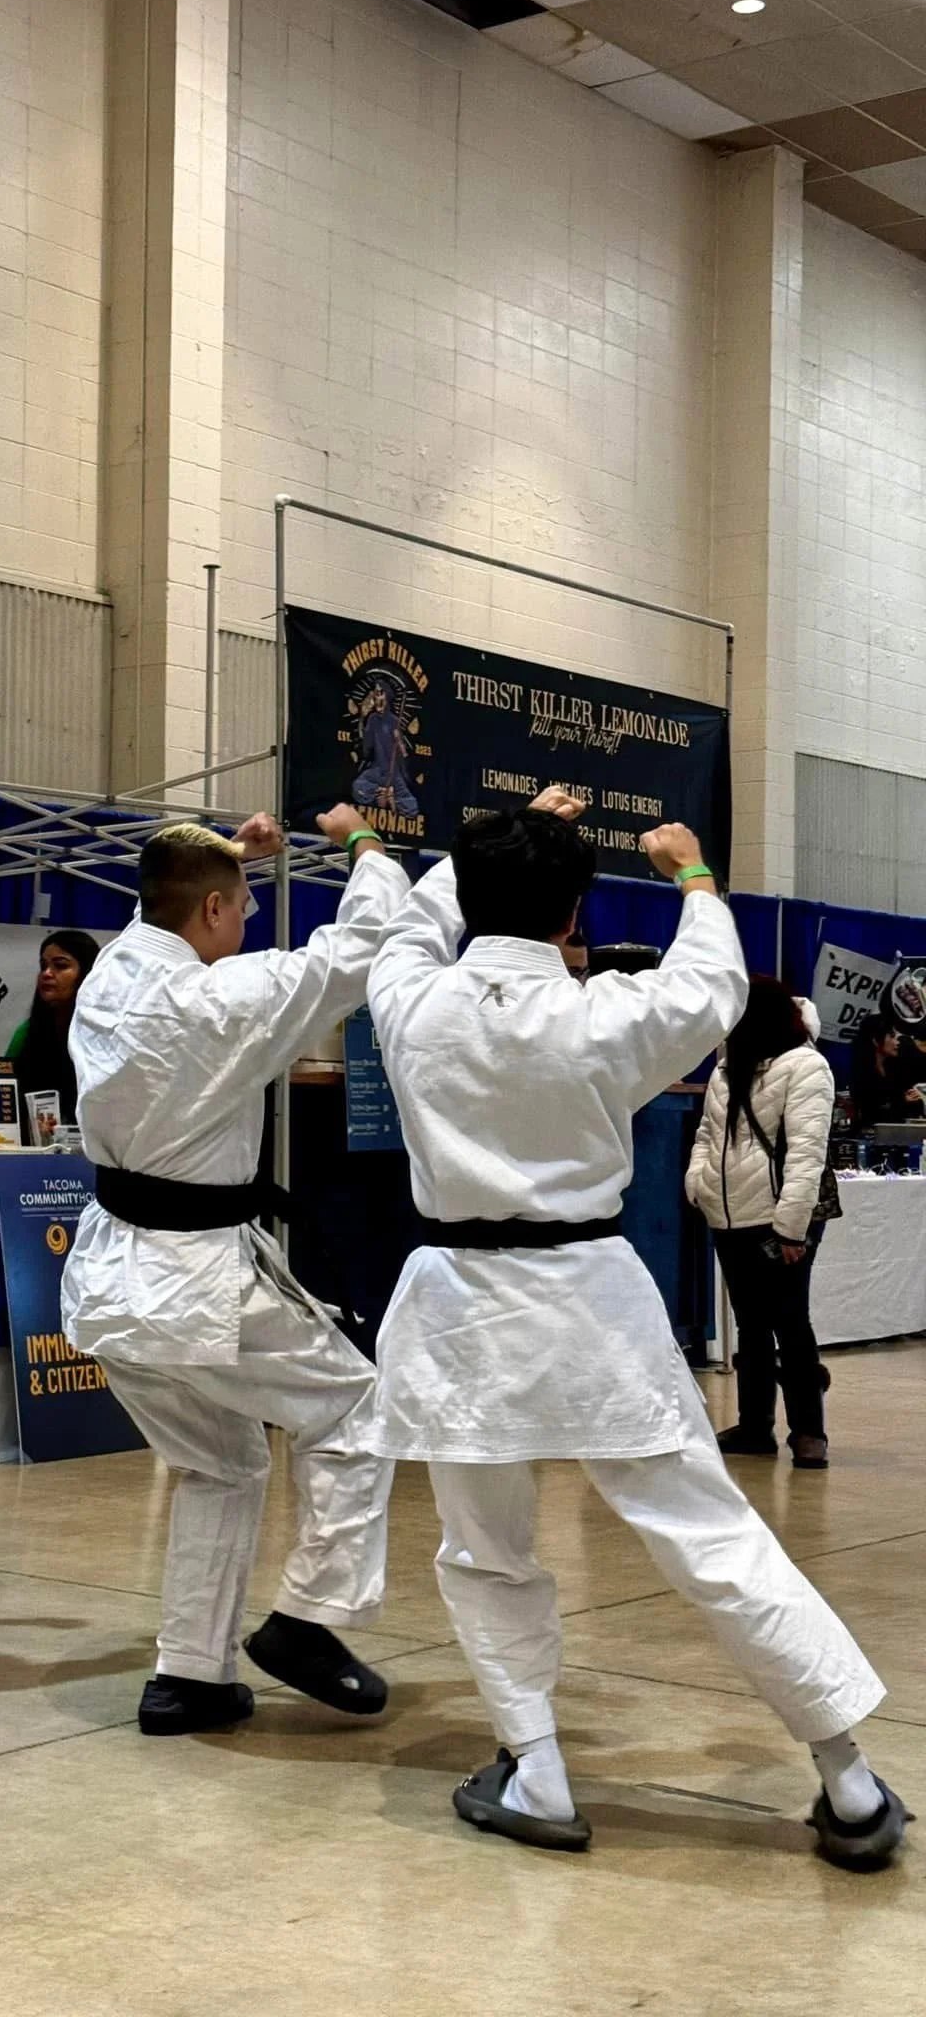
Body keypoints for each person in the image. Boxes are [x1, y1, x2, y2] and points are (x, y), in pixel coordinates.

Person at [365, 795, 905, 1869]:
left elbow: (413, 922)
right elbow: (711, 981)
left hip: (460, 1307)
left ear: (468, 893)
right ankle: (847, 1777)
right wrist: (693, 874)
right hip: (588, 1303)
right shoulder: (605, 1014)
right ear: (575, 912)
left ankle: (538, 1767)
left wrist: (503, 837)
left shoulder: (409, 996)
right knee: (710, 1535)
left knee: (484, 1551)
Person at [63, 805, 411, 1736]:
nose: (248, 924)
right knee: (357, 1409)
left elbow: (163, 903)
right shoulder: (224, 1002)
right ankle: (309, 1617)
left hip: (109, 1279)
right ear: (212, 910)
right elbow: (362, 944)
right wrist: (364, 845)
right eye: (242, 906)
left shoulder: (107, 977)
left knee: (220, 1465)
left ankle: (188, 1676)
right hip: (193, 1280)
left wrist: (232, 859)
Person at [686, 976, 837, 1469]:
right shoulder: (726, 1069)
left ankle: (809, 1433)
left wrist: (791, 1226)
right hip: (729, 1216)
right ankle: (755, 1427)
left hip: (780, 1217)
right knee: (750, 1325)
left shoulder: (806, 1066)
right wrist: (698, 1183)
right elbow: (707, 1135)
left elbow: (807, 1154)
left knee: (791, 1324)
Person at [8, 928, 100, 1133]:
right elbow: (6, 1095)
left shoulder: (104, 1036)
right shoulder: (26, 1033)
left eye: (60, 965)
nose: (47, 974)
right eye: (43, 966)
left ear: (88, 973)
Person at [351, 680, 421, 820]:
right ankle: (383, 792)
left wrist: (399, 741)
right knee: (357, 787)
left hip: (393, 773)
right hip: (377, 771)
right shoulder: (372, 720)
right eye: (376, 694)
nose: (378, 698)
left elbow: (404, 756)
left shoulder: (394, 721)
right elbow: (366, 751)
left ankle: (391, 797)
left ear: (388, 697)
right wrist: (362, 719)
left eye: (381, 693)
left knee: (412, 808)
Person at [848, 1011, 924, 1127]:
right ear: (875, 1040)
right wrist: (901, 1101)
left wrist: (912, 1097)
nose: (897, 1042)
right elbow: (869, 1111)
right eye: (892, 1036)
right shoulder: (861, 1074)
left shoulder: (896, 1067)